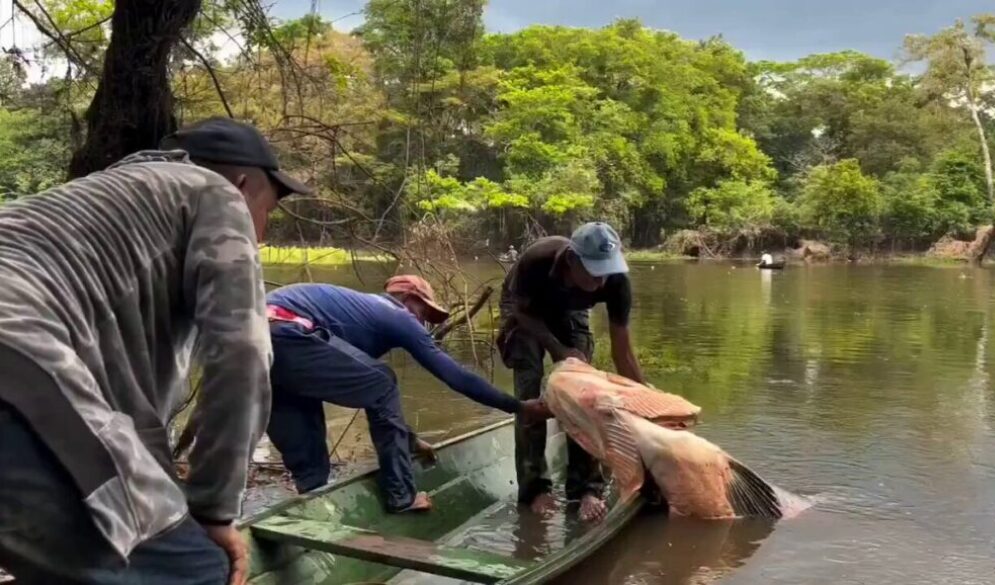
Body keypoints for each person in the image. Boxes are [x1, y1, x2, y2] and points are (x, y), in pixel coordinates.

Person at [0, 117, 311, 585]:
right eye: (267, 212)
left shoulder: (92, 203)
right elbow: (242, 355)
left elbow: (119, 420)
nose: (260, 235)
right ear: (244, 184)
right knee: (197, 570)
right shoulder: (213, 191)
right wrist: (212, 510)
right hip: (16, 360)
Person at [263, 277, 551, 513]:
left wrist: (408, 440)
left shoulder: (358, 312)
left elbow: (365, 394)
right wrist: (517, 406)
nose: (423, 322)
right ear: (405, 299)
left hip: (256, 340)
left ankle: (310, 509)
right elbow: (455, 376)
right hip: (290, 331)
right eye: (423, 312)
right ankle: (401, 496)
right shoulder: (395, 313)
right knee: (383, 381)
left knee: (311, 465)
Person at [498, 222, 645, 522]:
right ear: (571, 260)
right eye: (593, 271)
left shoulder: (615, 282)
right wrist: (558, 350)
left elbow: (622, 351)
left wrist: (643, 399)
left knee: (584, 393)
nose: (601, 280)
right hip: (525, 309)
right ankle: (535, 488)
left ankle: (586, 488)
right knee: (530, 393)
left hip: (571, 308)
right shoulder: (536, 260)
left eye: (606, 270)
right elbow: (521, 311)